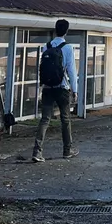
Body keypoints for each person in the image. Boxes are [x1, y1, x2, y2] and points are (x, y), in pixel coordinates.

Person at [31, 19, 78, 163]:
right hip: (62, 88)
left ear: (55, 29)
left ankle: (37, 151)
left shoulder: (47, 46)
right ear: (66, 31)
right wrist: (74, 90)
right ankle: (67, 150)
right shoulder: (68, 48)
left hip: (47, 88)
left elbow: (43, 67)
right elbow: (71, 70)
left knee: (45, 119)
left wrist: (42, 85)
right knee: (65, 119)